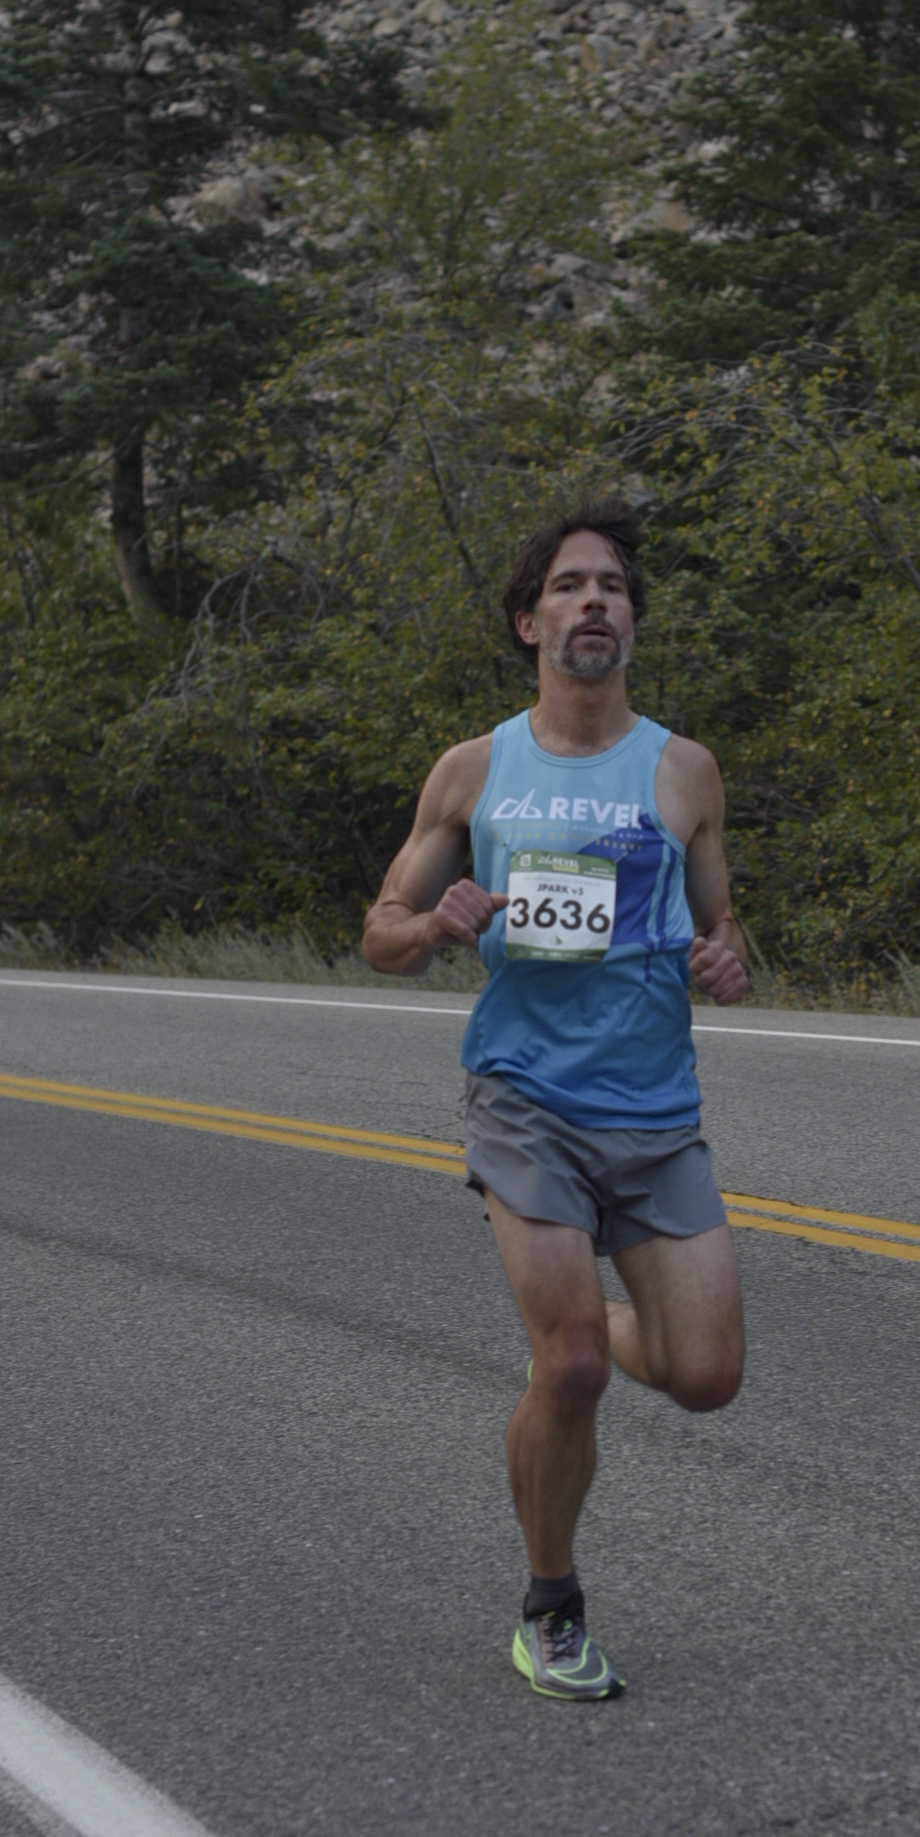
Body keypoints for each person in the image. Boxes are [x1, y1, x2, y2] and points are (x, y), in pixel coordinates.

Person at [361, 509, 751, 1701]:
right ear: (529, 622)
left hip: (655, 1108)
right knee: (573, 1364)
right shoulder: (474, 770)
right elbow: (380, 932)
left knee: (705, 1374)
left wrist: (727, 960)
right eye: (570, 586)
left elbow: (722, 927)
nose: (594, 601)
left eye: (612, 586)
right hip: (524, 1096)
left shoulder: (684, 771)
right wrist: (432, 925)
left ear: (631, 619)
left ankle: (593, 1317)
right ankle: (551, 1605)